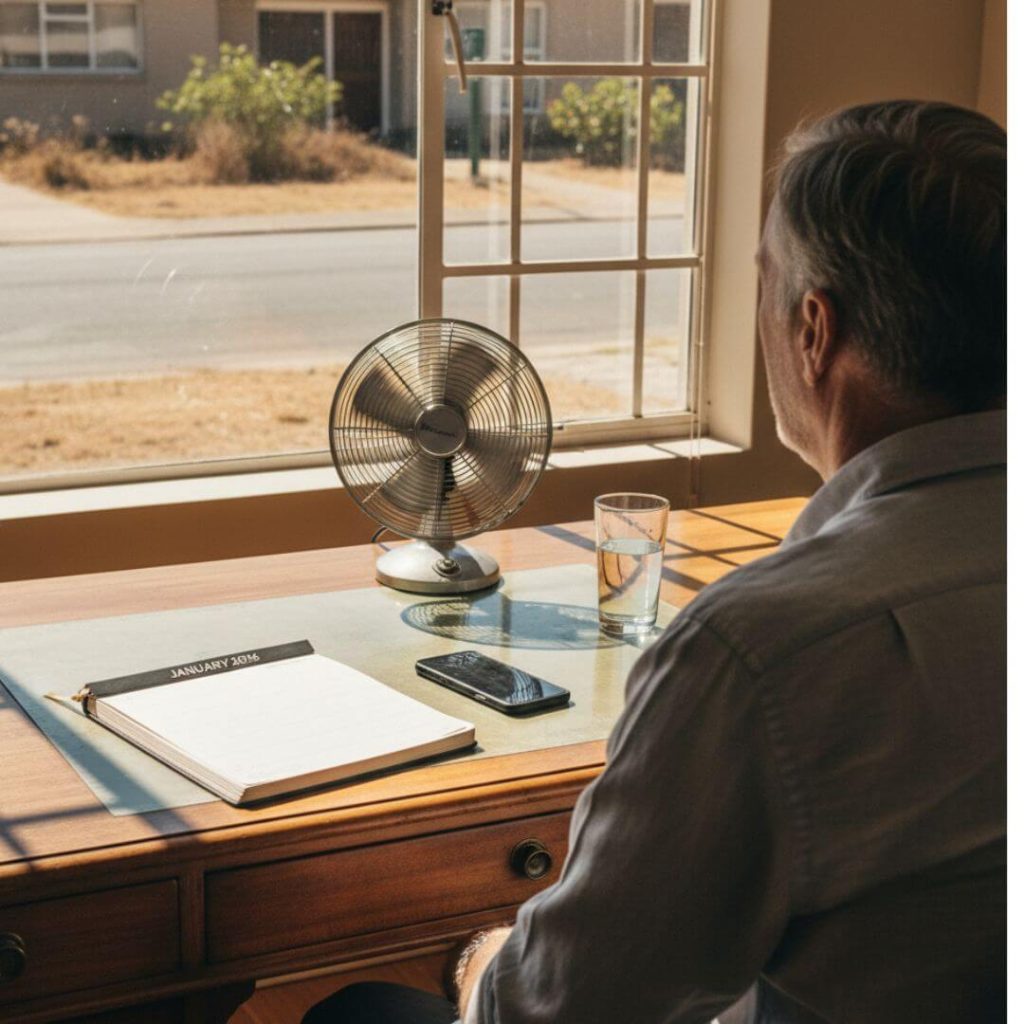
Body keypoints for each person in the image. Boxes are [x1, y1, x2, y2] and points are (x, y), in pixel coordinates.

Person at [303, 99, 1006, 1024]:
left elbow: (556, 1013)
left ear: (812, 330)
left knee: (357, 1010)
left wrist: (483, 958)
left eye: (761, 279)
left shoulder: (762, 656)